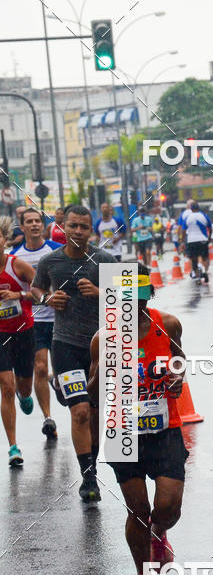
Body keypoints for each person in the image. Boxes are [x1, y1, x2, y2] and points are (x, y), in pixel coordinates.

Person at [88, 266, 187, 575]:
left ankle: (159, 533)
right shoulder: (103, 339)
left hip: (165, 429)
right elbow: (93, 394)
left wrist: (177, 379)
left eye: (139, 296)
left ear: (149, 295)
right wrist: (106, 367)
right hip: (122, 431)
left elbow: (179, 359)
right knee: (138, 509)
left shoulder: (168, 324)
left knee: (168, 507)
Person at [33, 205, 115, 501]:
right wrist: (47, 298)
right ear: (63, 227)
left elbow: (132, 297)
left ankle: (60, 386)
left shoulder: (106, 260)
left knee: (94, 413)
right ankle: (88, 477)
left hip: (100, 347)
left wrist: (101, 292)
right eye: (73, 226)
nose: (78, 231)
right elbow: (36, 289)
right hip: (64, 344)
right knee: (79, 411)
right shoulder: (50, 261)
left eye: (84, 227)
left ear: (92, 230)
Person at [11, 207, 62, 440]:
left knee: (61, 372)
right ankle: (48, 418)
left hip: (60, 318)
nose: (34, 224)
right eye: (29, 221)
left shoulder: (56, 250)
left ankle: (57, 381)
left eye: (37, 221)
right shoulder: (16, 256)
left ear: (42, 225)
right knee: (40, 368)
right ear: (22, 227)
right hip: (36, 320)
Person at [0, 215, 37, 466]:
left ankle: (25, 396)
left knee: (23, 387)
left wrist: (19, 294)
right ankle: (13, 446)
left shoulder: (17, 265)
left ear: (4, 239)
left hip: (23, 330)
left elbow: (41, 291)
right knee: (6, 386)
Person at [179, 201, 211, 283]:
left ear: (191, 209)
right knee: (205, 257)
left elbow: (183, 231)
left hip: (191, 240)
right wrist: (209, 237)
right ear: (198, 208)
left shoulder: (188, 217)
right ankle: (205, 271)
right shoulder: (204, 216)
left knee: (194, 259)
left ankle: (197, 276)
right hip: (203, 240)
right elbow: (210, 228)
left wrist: (182, 242)